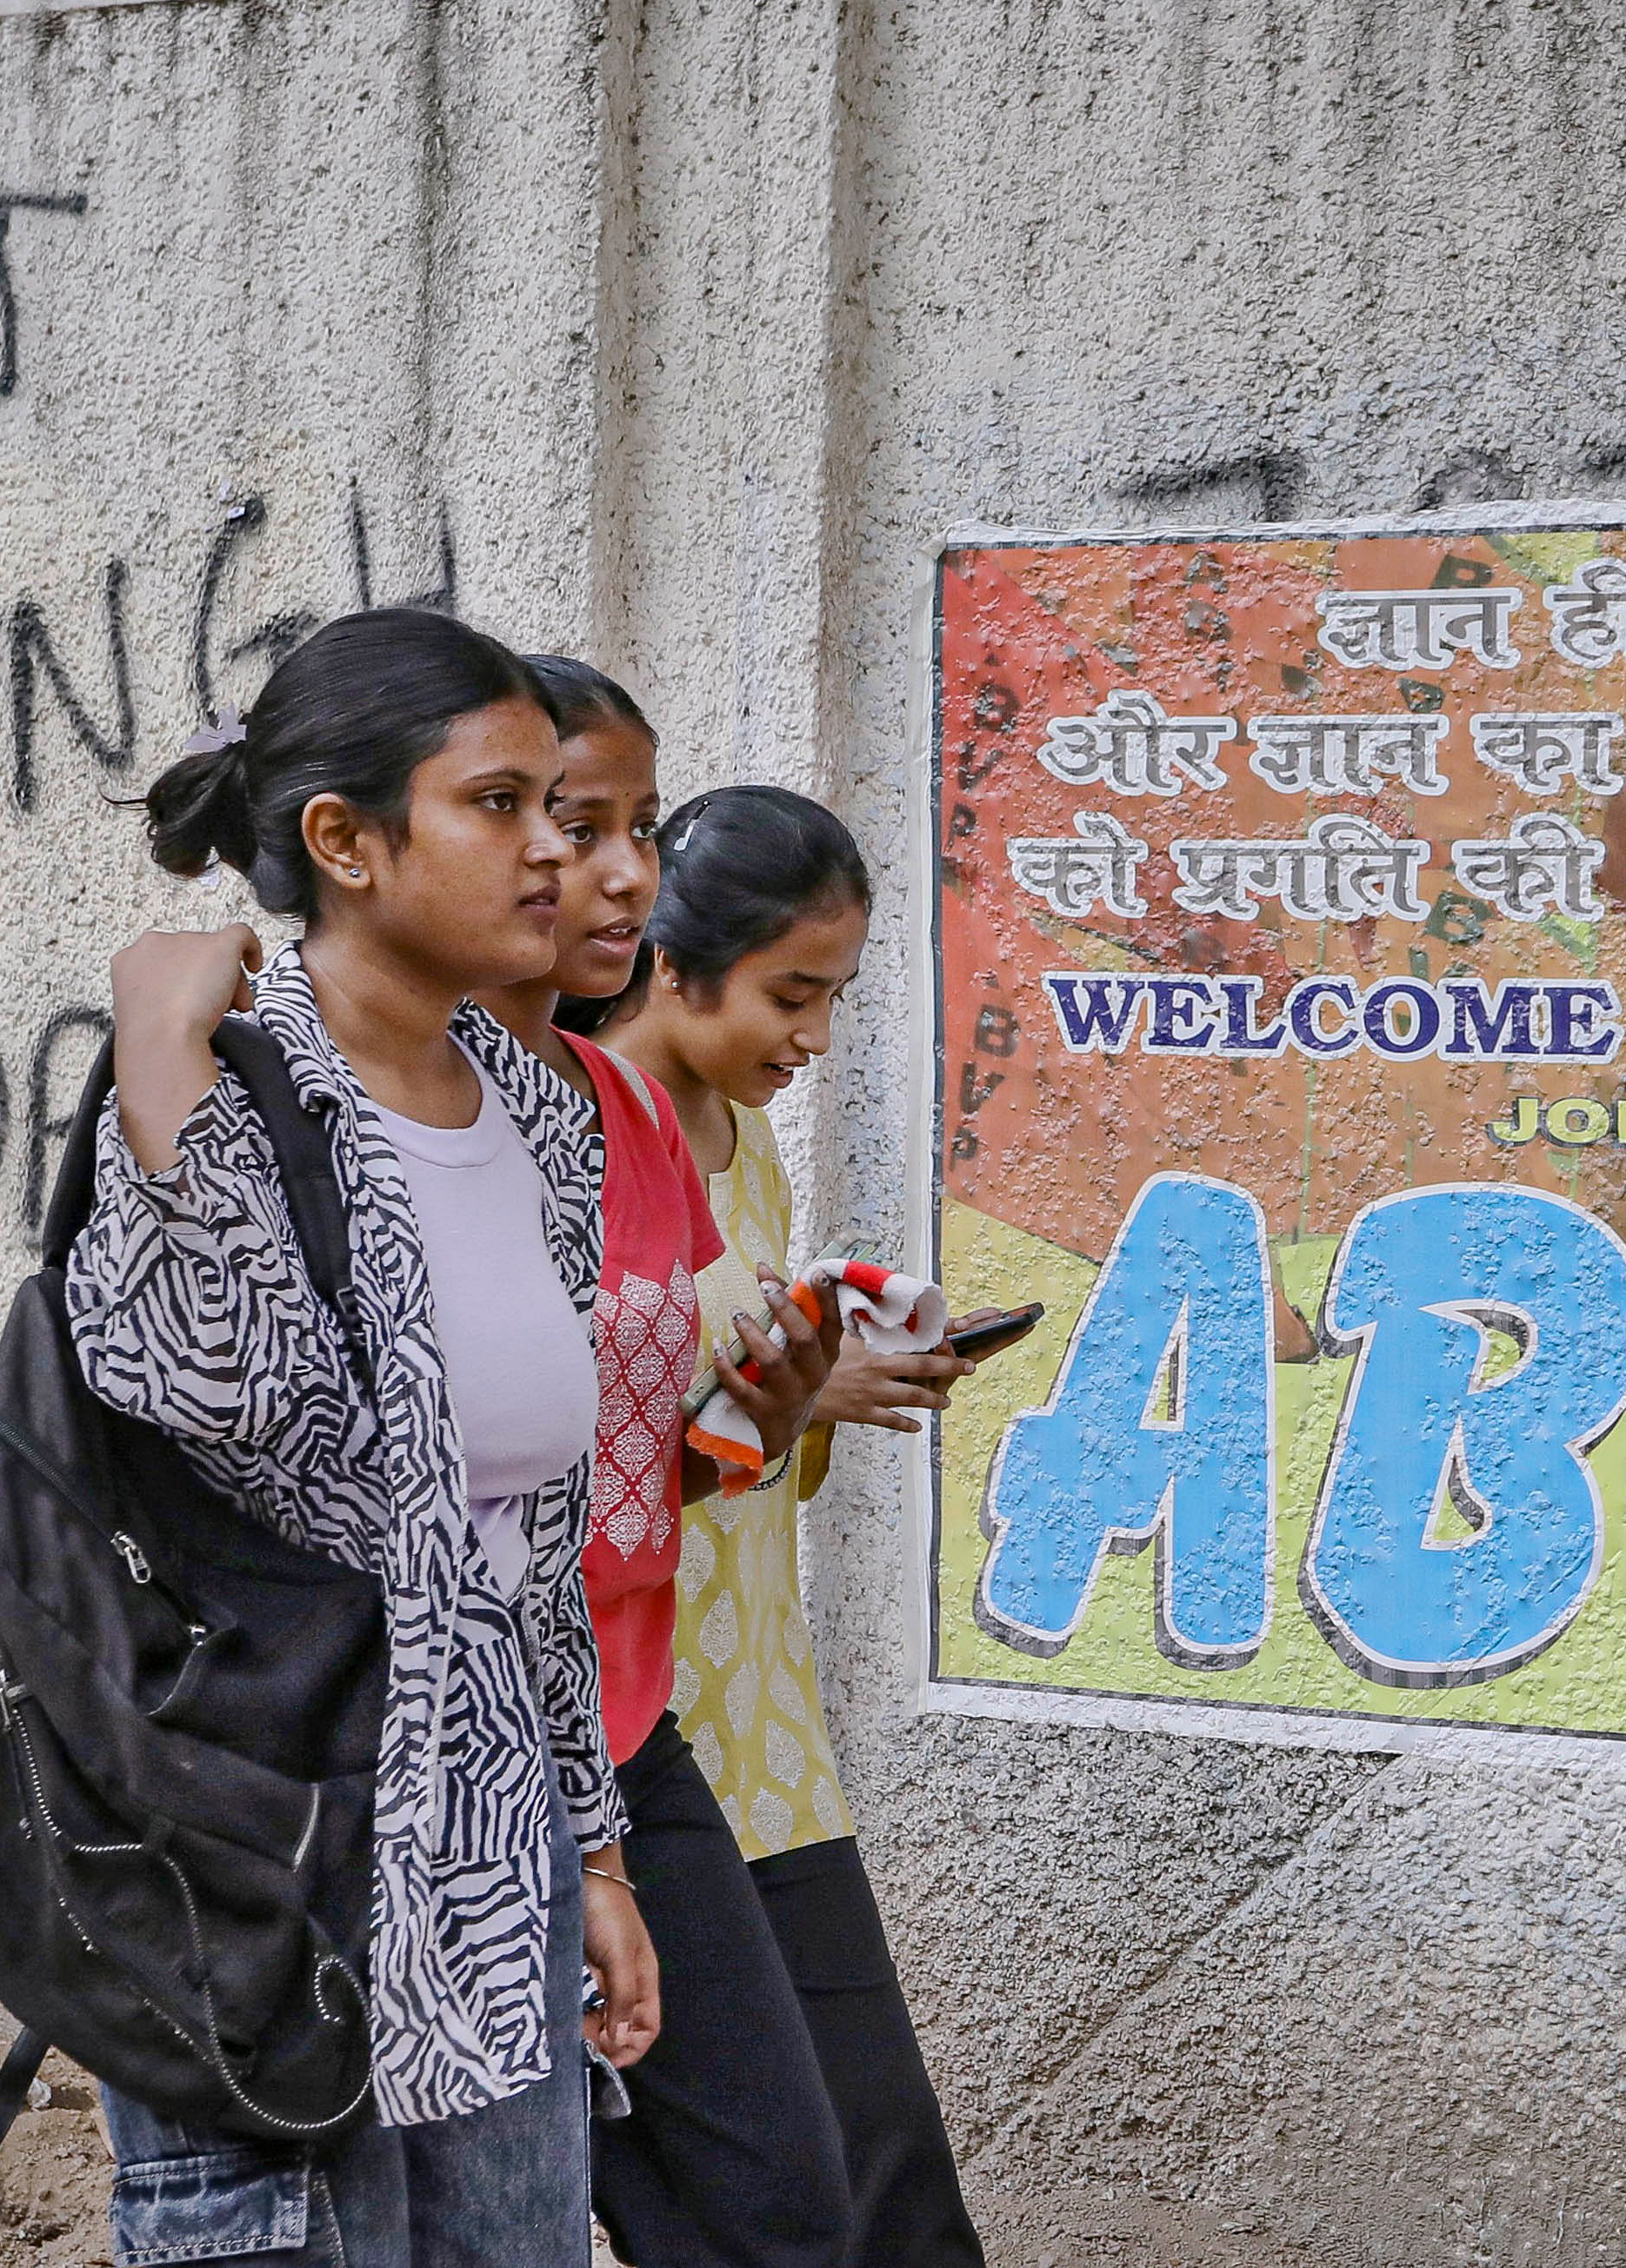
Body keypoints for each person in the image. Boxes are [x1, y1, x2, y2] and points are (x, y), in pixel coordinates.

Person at [68, 608, 662, 2267]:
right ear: (344, 840)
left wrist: (590, 1848)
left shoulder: (538, 1109)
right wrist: (164, 1059)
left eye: (561, 800)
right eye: (500, 805)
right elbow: (246, 1413)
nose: (555, 847)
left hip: (491, 1868)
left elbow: (517, 1549)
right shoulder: (227, 1093)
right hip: (275, 1874)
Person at [470, 661, 859, 2268]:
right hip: (457, 1767)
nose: (632, 868)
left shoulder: (624, 1132)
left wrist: (782, 1405)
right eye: (569, 820)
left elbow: (635, 1483)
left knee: (778, 2203)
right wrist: (581, 1843)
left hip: (630, 1730)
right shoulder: (365, 1112)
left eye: (640, 822)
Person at [595, 784, 990, 2268]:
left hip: (767, 1744)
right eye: (791, 993)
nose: (814, 1036)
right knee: (745, 2211)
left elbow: (734, 1445)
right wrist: (787, 1397)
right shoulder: (572, 1129)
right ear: (674, 962)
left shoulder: (744, 1146)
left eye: (834, 996)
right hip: (630, 1749)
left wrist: (810, 1382)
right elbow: (592, 1471)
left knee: (886, 2180)